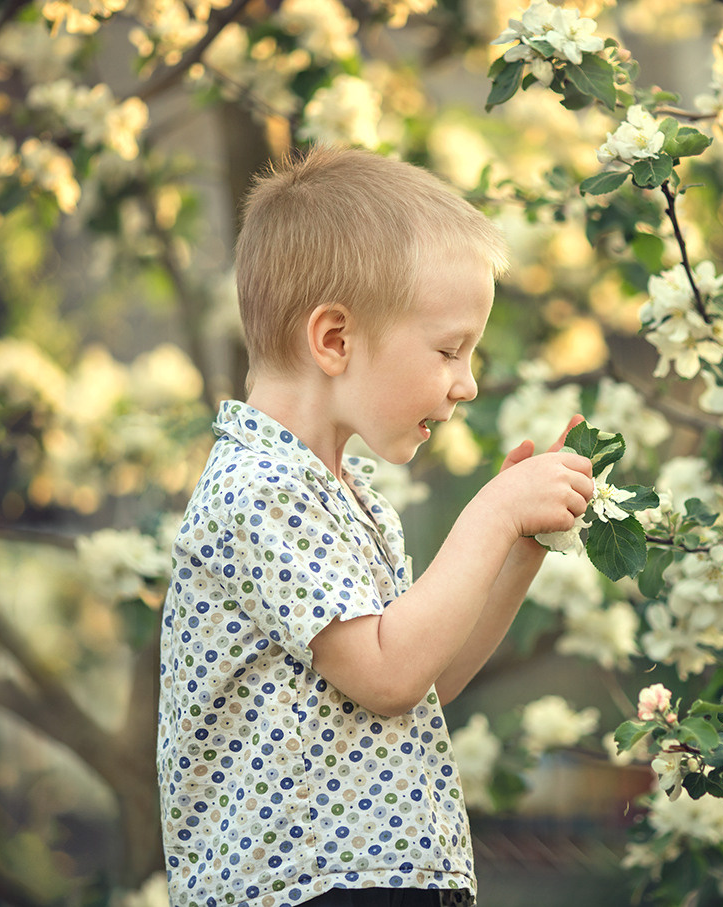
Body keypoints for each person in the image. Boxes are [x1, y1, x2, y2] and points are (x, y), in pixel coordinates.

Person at [157, 145, 595, 907]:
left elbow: (424, 677)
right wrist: (489, 514)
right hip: (303, 887)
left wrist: (519, 549)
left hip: (379, 878)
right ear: (335, 340)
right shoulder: (258, 489)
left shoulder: (348, 497)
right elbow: (390, 673)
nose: (468, 381)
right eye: (449, 348)